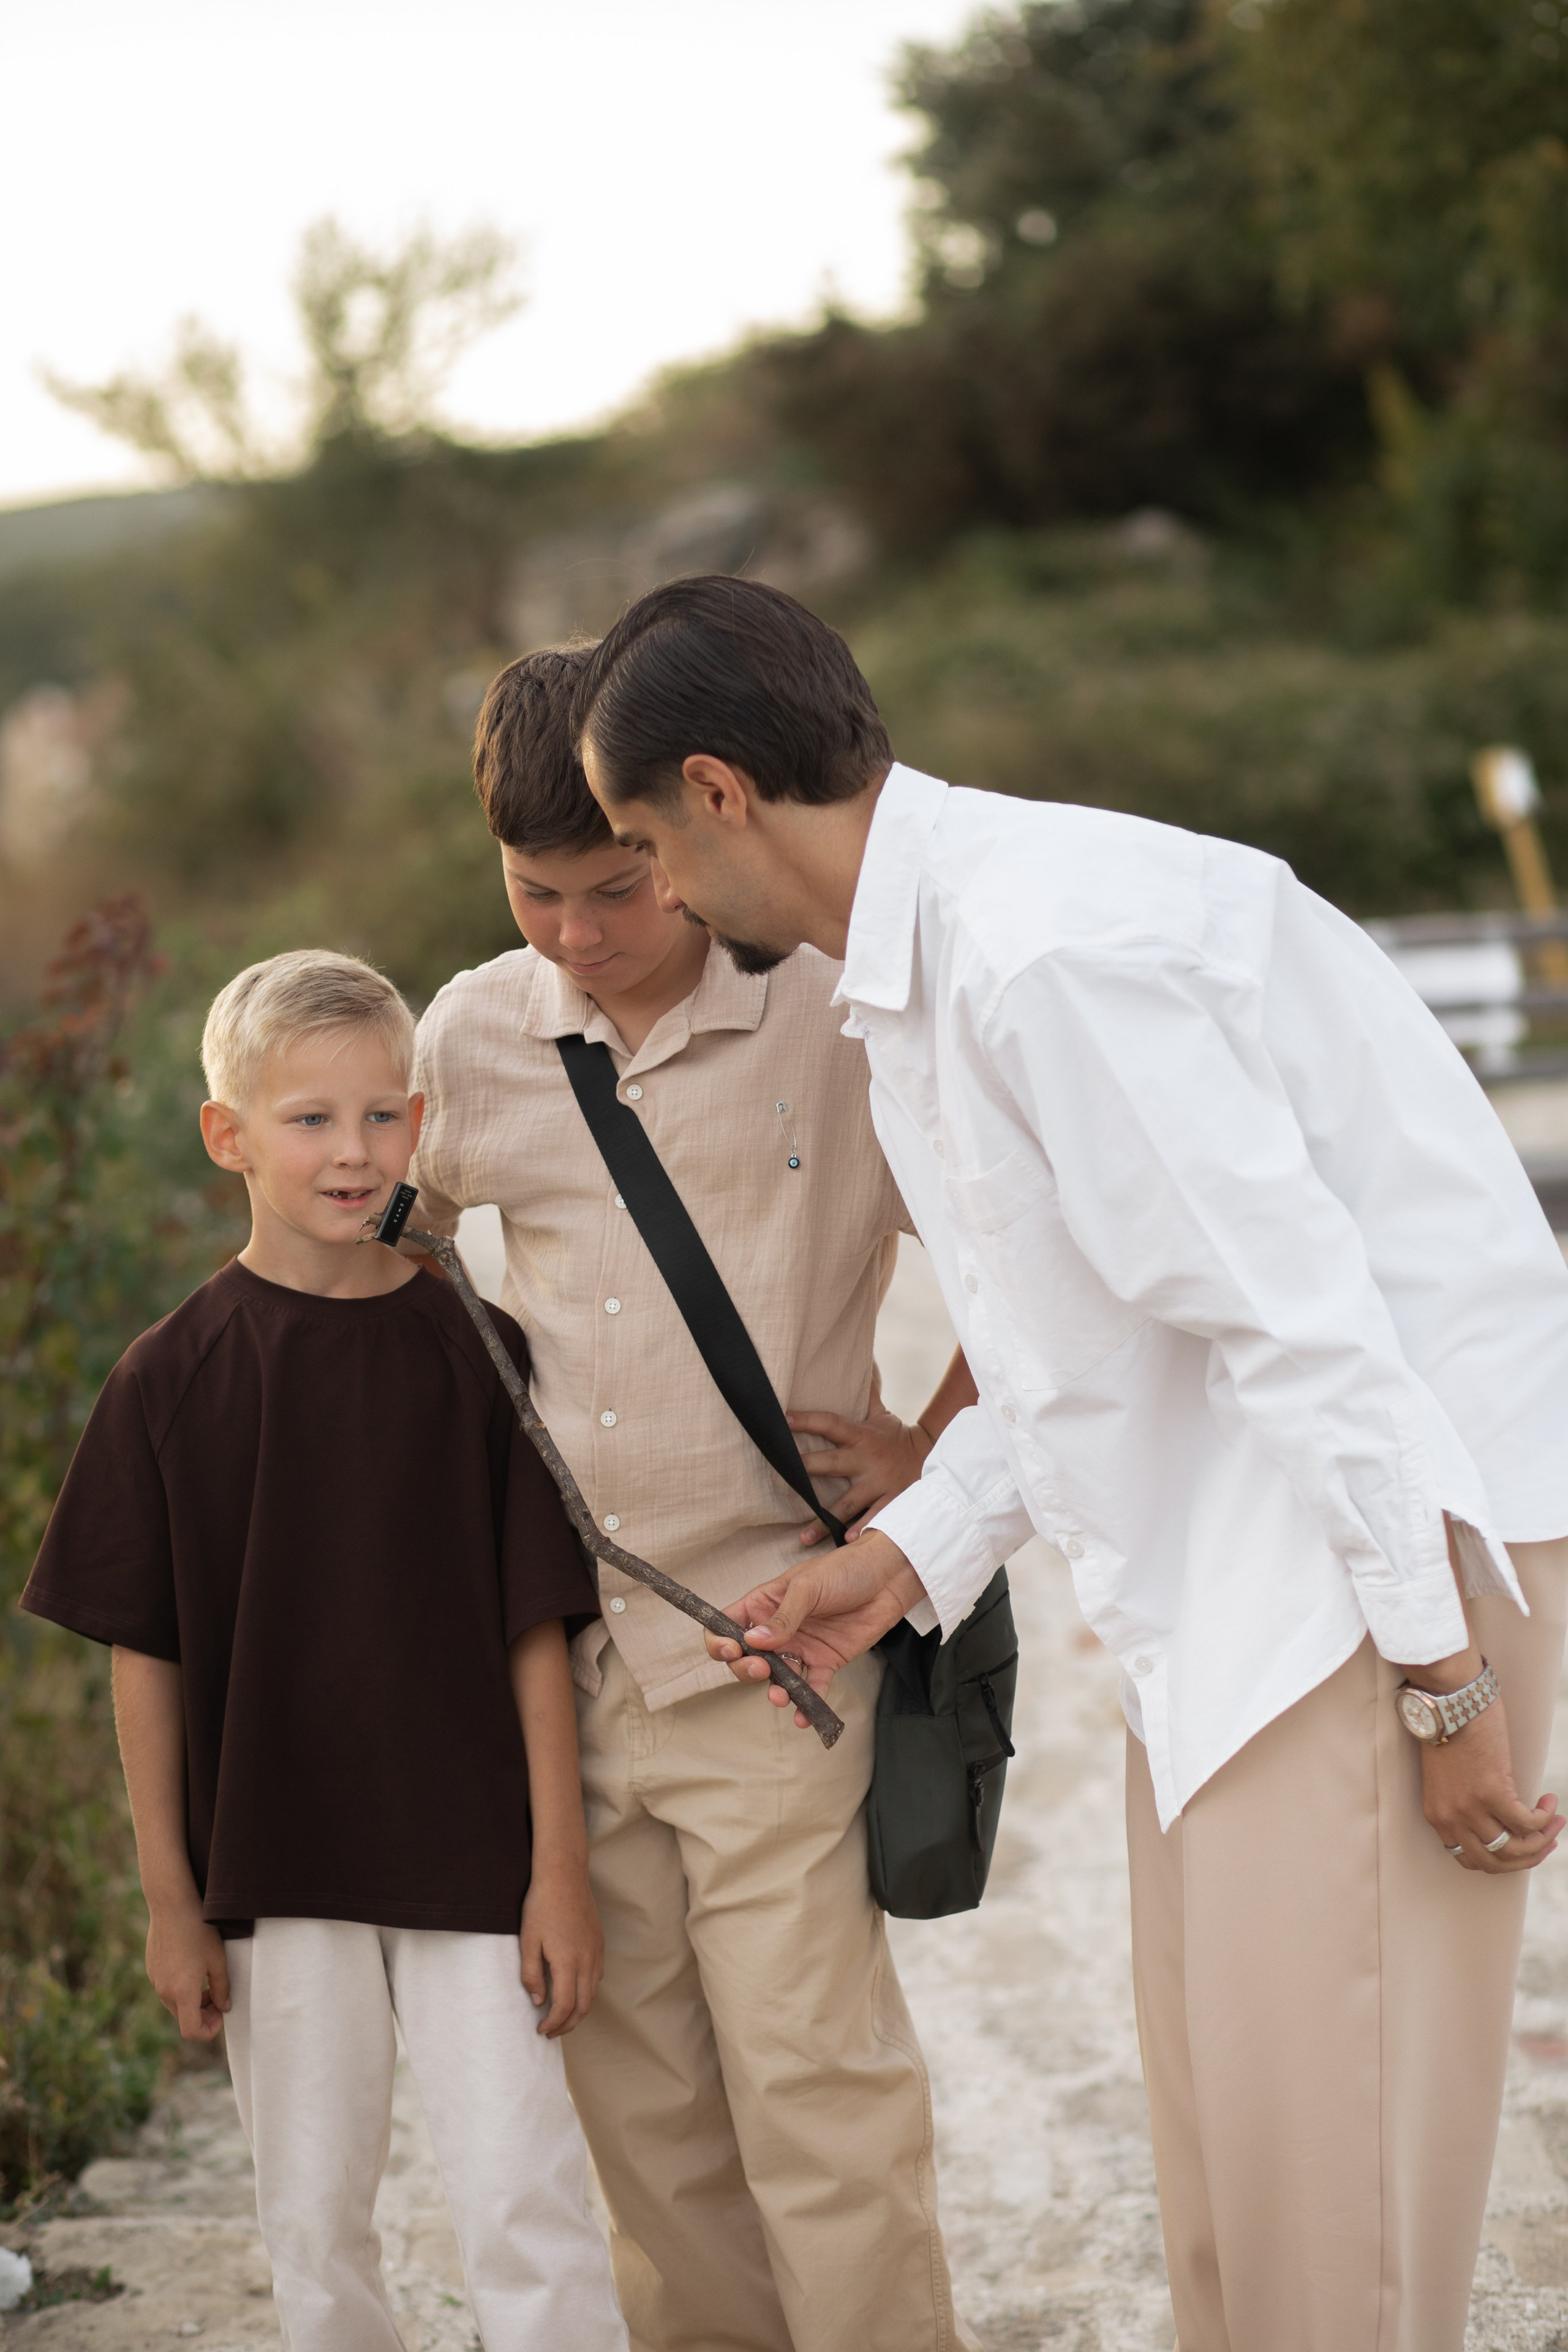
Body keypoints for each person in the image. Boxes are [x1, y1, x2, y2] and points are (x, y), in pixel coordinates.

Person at [570, 574, 1568, 2352]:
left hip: (1391, 1544)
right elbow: (1089, 1345)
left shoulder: (1044, 952)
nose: (652, 892)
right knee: (1230, 2143)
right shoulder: (928, 969)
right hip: (1268, 1552)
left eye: (643, 842)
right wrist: (908, 1560)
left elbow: (1301, 1325)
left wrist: (1442, 1680)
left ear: (720, 793)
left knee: (1329, 2183)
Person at [407, 645, 982, 2352]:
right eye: (535, 895)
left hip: (781, 1646)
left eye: (615, 886)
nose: (577, 934)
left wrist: (930, 1455)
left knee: (819, 2097)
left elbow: (1037, 1274)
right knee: (642, 2117)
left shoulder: (836, 1007)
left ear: (687, 825)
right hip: (562, 1658)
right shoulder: (468, 1031)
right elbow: (393, 1268)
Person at [21, 950, 628, 2352]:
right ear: (227, 1135)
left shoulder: (477, 1348)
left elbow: (535, 1622)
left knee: (523, 2204)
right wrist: (173, 1900)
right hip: (277, 1870)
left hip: (479, 1866)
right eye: (309, 1120)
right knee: (315, 2226)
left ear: (418, 1122)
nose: (351, 1153)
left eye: (378, 1116)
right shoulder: (168, 1379)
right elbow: (144, 1658)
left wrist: (560, 1868)